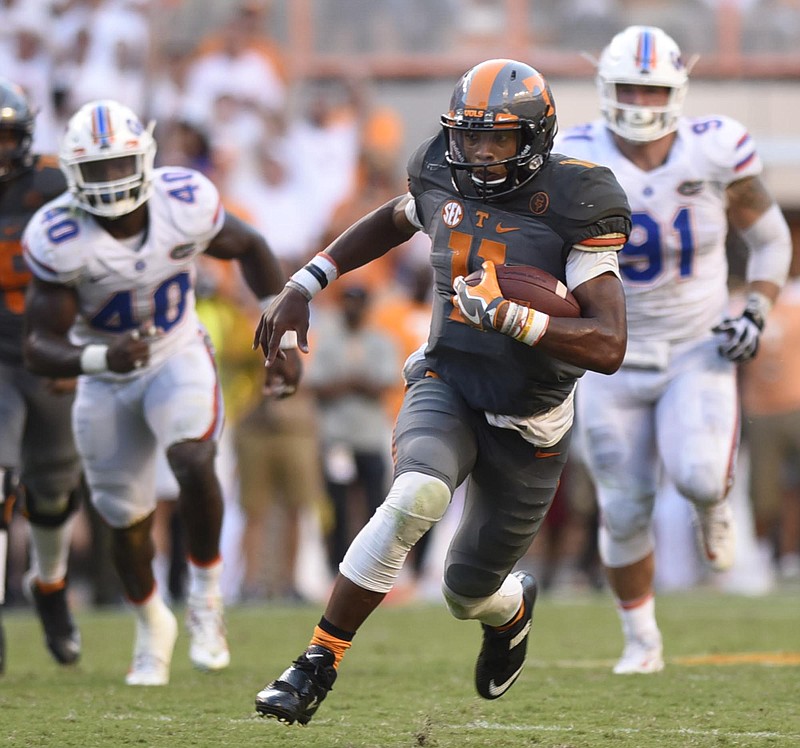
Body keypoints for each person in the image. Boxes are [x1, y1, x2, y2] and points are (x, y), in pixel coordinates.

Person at [252, 58, 631, 725]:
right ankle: (316, 661)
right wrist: (307, 280)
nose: (481, 151)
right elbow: (399, 217)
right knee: (416, 494)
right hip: (448, 379)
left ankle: (510, 608)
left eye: (499, 137)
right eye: (470, 135)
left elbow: (608, 343)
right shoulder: (437, 169)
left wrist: (515, 317)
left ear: (535, 138)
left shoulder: (578, 199)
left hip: (532, 419)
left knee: (465, 592)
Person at [22, 99, 300, 686]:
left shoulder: (183, 201)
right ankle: (153, 622)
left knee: (194, 458)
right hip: (104, 377)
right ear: (72, 174)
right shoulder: (58, 236)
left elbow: (249, 247)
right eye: (95, 170)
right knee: (127, 527)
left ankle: (205, 600)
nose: (110, 180)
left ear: (145, 159)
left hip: (176, 354)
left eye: (119, 164)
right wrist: (100, 355)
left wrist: (286, 338)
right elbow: (39, 345)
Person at [555, 25, 792, 674]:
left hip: (696, 346)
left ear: (676, 91)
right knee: (624, 505)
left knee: (694, 473)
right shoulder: (572, 158)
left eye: (650, 88)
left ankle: (713, 504)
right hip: (610, 354)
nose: (637, 100)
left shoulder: (715, 151)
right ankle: (642, 640)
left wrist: (756, 309)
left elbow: (772, 243)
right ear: (604, 87)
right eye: (627, 86)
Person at [0, 77, 85, 671]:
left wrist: (79, 346)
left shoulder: (58, 186)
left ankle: (49, 585)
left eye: (5, 138)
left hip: (50, 355)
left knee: (53, 491)